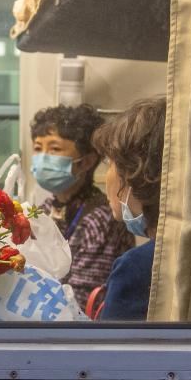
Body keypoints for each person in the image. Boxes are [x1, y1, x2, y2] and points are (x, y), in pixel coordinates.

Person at [30, 104, 133, 307]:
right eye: (38, 148)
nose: (43, 158)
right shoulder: (44, 209)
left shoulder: (101, 220)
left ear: (86, 162)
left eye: (54, 149)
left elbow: (81, 304)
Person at [90, 97, 166, 321]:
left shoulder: (137, 267)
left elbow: (108, 344)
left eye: (110, 163)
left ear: (136, 174)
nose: (107, 177)